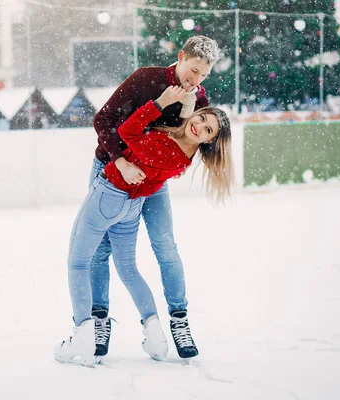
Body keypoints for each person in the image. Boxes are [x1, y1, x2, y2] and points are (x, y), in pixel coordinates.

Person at [54, 85, 233, 366]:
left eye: (208, 129)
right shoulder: (183, 158)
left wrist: (159, 103)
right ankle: (154, 332)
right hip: (131, 206)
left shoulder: (166, 147)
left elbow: (126, 131)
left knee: (79, 263)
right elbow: (151, 178)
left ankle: (83, 332)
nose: (199, 126)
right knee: (128, 268)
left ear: (210, 141)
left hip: (108, 195)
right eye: (201, 118)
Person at [90, 35, 222, 360]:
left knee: (165, 244)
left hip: (153, 180)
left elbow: (188, 142)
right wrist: (120, 160)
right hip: (112, 170)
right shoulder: (145, 79)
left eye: (203, 75)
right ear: (180, 57)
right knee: (101, 247)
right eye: (192, 71)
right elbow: (103, 120)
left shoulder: (199, 96)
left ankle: (179, 319)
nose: (196, 80)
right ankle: (97, 319)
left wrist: (188, 110)